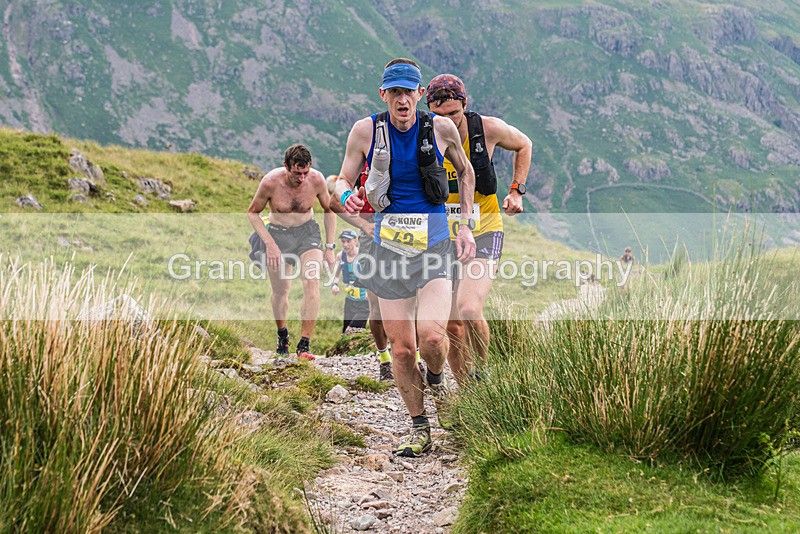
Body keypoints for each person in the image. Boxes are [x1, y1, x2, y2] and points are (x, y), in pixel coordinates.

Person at [334, 58, 477, 457]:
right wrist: (350, 197)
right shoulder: (366, 131)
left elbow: (466, 174)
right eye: (393, 92)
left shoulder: (441, 128)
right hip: (388, 252)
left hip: (433, 249)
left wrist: (465, 224)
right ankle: (420, 429)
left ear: (419, 95)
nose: (401, 100)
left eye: (408, 92)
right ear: (384, 95)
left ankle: (435, 378)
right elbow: (340, 181)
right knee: (401, 350)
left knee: (432, 338)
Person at [425, 74, 532, 385]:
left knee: (469, 308)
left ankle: (483, 373)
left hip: (484, 228)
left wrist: (516, 191)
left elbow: (524, 144)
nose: (445, 122)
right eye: (438, 116)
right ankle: (467, 390)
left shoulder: (486, 128)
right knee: (452, 325)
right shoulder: (421, 133)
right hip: (442, 235)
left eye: (453, 115)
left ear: (465, 105)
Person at [247, 144, 336, 360]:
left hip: (307, 232)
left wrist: (330, 247)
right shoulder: (270, 182)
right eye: (297, 173)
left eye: (305, 173)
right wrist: (270, 244)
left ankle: (304, 345)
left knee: (311, 280)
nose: (302, 179)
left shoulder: (316, 180)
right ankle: (282, 334)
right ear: (286, 166)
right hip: (278, 234)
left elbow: (328, 209)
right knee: (281, 290)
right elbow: (252, 213)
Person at [331, 229, 370, 334]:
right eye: (343, 241)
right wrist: (334, 285)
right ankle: (352, 350)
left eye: (348, 241)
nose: (345, 244)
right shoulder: (340, 256)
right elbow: (334, 276)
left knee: (353, 330)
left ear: (355, 241)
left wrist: (370, 290)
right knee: (346, 330)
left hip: (364, 301)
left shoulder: (363, 255)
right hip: (350, 300)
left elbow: (373, 275)